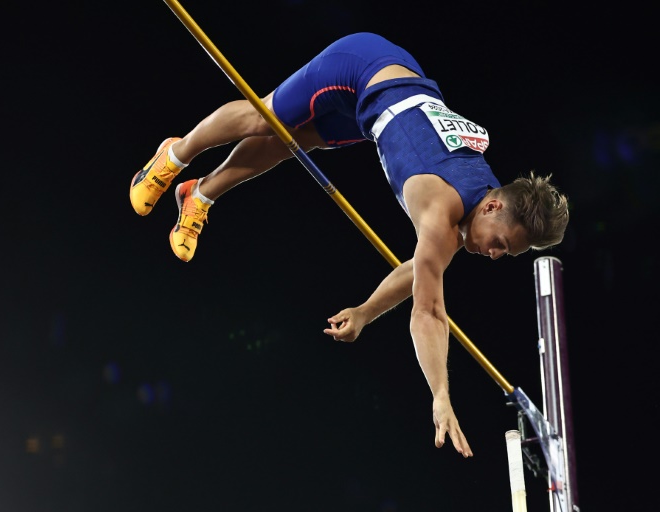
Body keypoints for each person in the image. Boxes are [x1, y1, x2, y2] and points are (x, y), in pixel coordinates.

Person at [128, 32, 569, 458]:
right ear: (493, 209)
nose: (493, 255)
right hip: (361, 66)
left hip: (381, 104)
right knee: (264, 118)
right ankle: (174, 155)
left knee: (288, 144)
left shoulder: (478, 206)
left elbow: (419, 268)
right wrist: (440, 396)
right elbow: (429, 310)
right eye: (500, 245)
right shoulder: (441, 212)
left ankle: (198, 194)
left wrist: (365, 311)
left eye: (504, 254)